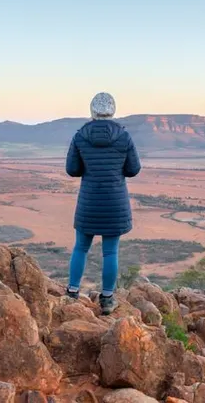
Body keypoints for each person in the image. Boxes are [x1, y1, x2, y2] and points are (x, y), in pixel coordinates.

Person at [65, 92, 141, 314]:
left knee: (81, 247)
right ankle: (107, 299)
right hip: (115, 203)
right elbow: (133, 169)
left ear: (92, 111)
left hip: (89, 202)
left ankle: (71, 293)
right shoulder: (124, 137)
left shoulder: (80, 136)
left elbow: (72, 170)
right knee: (110, 252)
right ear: (113, 110)